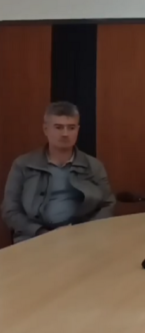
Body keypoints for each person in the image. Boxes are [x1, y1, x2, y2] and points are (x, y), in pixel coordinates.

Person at [2, 102, 115, 243]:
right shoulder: (23, 164)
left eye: (71, 128)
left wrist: (84, 231)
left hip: (82, 238)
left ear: (78, 130)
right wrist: (41, 232)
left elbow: (108, 204)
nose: (65, 134)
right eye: (58, 127)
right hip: (34, 238)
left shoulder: (93, 166)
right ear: (45, 129)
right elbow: (10, 210)